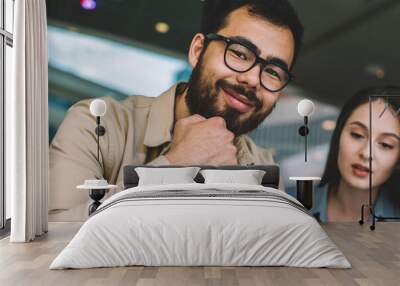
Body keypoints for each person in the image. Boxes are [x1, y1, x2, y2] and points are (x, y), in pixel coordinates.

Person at [49, 0, 304, 219]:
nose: (252, 79)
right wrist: (176, 166)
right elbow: (54, 241)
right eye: (239, 53)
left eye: (273, 72)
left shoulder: (264, 167)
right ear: (198, 51)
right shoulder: (97, 127)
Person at [312, 86, 400, 222]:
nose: (366, 153)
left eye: (385, 144)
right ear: (339, 135)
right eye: (357, 135)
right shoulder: (290, 206)